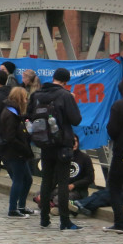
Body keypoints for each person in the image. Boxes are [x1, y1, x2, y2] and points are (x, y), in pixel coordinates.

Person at [27, 68, 82, 230]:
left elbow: (29, 116)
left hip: (44, 143)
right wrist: (73, 102)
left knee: (46, 180)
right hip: (62, 144)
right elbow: (76, 120)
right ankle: (65, 221)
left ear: (53, 78)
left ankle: (44, 219)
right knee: (63, 183)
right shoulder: (65, 95)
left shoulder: (36, 95)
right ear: (66, 81)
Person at [0, 87, 35, 218]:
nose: (26, 100)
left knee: (27, 179)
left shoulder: (12, 112)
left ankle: (21, 206)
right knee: (19, 180)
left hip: (16, 151)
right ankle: (13, 208)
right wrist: (23, 147)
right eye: (24, 97)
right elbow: (10, 137)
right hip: (15, 152)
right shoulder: (11, 114)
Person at [104, 74, 123, 233]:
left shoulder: (119, 105)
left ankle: (120, 222)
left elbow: (112, 129)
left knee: (114, 187)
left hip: (122, 152)